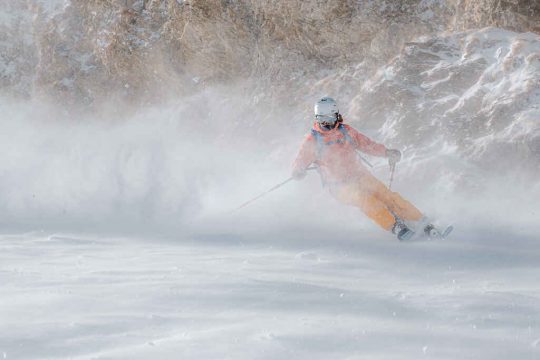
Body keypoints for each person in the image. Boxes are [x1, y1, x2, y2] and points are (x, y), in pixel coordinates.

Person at [292, 97, 435, 241]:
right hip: (339, 186)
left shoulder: (346, 131)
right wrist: (298, 170)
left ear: (336, 115)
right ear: (317, 118)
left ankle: (420, 221)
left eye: (329, 118)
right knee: (366, 200)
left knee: (387, 195)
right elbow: (301, 159)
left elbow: (367, 145)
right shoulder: (313, 140)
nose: (326, 123)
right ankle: (395, 226)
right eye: (322, 118)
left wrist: (386, 152)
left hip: (360, 175)